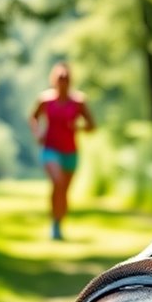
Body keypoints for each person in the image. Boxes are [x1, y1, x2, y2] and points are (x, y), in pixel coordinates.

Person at [29, 61, 96, 240]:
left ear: (70, 80)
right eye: (60, 78)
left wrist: (78, 126)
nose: (63, 81)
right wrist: (38, 133)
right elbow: (33, 118)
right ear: (54, 80)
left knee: (64, 192)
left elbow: (92, 125)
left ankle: (58, 222)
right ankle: (54, 224)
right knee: (57, 183)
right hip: (50, 149)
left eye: (66, 78)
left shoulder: (78, 102)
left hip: (70, 152)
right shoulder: (45, 100)